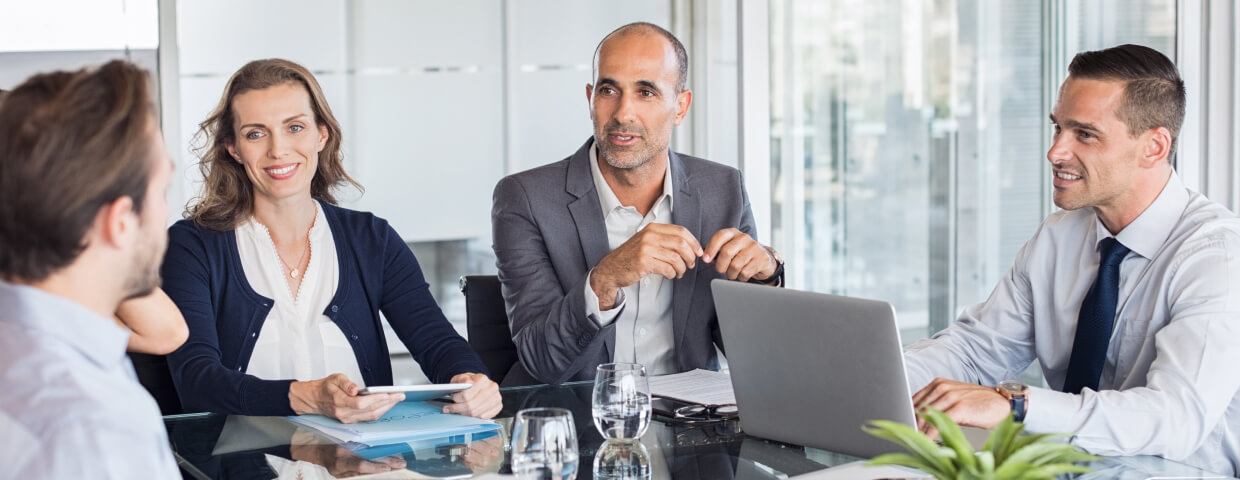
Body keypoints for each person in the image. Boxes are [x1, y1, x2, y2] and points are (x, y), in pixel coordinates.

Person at [904, 44, 1240, 475]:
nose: (1055, 152)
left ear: (1154, 147)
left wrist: (1016, 405)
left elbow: (1175, 418)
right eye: (1057, 128)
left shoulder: (1217, 257)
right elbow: (974, 352)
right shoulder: (1059, 237)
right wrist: (881, 375)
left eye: (1084, 134)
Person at [162, 58, 501, 423]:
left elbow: (438, 343)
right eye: (255, 133)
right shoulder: (191, 246)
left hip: (364, 464)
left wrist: (471, 381)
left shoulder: (372, 239)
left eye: (295, 127)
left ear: (321, 134)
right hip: (242, 464)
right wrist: (307, 397)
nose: (278, 150)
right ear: (233, 148)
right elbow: (196, 380)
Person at [492, 22, 785, 385]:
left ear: (680, 107)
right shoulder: (525, 198)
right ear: (590, 99)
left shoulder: (723, 188)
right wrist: (606, 277)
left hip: (692, 425)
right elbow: (542, 360)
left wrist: (766, 277)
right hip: (576, 422)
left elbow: (750, 354)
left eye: (645, 92)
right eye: (609, 89)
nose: (623, 113)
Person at [0, 60, 180, 478]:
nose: (167, 214)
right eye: (162, 192)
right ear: (120, 221)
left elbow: (168, 331)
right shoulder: (93, 427)